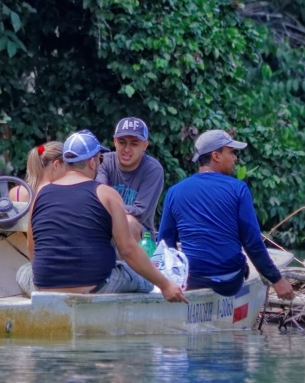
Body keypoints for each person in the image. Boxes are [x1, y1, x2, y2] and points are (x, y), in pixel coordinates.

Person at [16, 130, 187, 303]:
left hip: (44, 286)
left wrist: (48, 278)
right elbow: (128, 250)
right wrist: (165, 285)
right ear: (92, 162)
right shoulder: (106, 194)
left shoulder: (40, 195)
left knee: (23, 271)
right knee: (139, 277)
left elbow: (33, 246)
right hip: (95, 285)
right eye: (100, 158)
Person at [158, 129, 295, 300]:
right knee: (241, 265)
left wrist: (165, 283)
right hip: (227, 282)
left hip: (190, 281)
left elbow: (164, 245)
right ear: (216, 156)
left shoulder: (174, 192)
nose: (235, 158)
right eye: (231, 152)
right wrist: (277, 279)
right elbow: (252, 243)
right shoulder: (238, 189)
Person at [96, 117, 165, 239]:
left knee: (129, 222)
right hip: (104, 228)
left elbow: (140, 213)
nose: (127, 149)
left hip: (141, 237)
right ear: (115, 142)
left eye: (134, 143)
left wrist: (109, 207)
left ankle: (126, 259)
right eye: (122, 142)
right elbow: (96, 201)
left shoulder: (153, 169)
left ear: (145, 145)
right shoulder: (103, 161)